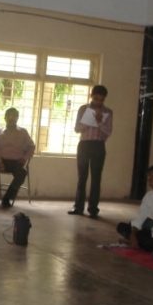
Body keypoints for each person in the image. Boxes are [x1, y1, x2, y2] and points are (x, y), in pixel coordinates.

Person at [68, 85, 113, 218]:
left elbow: (108, 132)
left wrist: (99, 122)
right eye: (96, 98)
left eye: (101, 100)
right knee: (82, 177)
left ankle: (93, 209)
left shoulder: (108, 112)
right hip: (84, 145)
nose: (98, 102)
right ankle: (78, 207)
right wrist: (89, 121)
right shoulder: (83, 109)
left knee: (96, 178)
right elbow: (77, 129)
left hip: (98, 145)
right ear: (91, 96)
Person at [0, 107, 35, 208]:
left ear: (17, 118)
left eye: (14, 116)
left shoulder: (23, 132)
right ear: (5, 118)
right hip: (0, 161)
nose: (11, 118)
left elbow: (31, 146)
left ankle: (7, 198)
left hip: (16, 162)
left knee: (22, 173)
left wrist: (24, 158)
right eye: (9, 116)